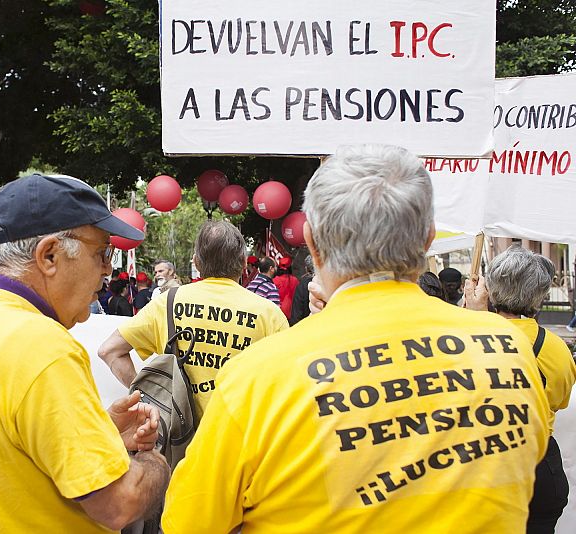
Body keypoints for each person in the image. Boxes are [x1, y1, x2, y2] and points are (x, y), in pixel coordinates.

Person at [162, 145, 549, 533]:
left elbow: (188, 524)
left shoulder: (259, 376)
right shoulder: (511, 350)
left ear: (311, 240)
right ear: (428, 238)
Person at [0, 174, 169, 532]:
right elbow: (118, 503)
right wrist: (153, 462)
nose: (108, 269)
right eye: (102, 252)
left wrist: (99, 433)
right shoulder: (44, 348)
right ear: (50, 255)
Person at [99, 221, 289, 419]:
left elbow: (109, 350)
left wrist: (151, 399)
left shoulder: (167, 303)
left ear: (196, 262)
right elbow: (290, 383)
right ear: (243, 263)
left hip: (182, 439)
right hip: (245, 438)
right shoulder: (269, 314)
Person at [464, 245, 576, 533]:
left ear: (490, 289)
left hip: (484, 465)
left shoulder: (467, 337)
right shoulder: (556, 348)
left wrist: (475, 317)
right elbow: (559, 401)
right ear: (540, 294)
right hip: (540, 467)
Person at [290, 255, 315, 325]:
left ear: (306, 269)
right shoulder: (328, 283)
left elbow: (297, 313)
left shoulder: (302, 285)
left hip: (305, 326)